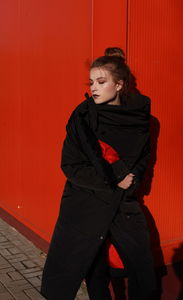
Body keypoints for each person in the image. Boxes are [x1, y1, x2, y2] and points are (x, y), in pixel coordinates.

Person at [41, 47, 157, 300]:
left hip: (123, 203)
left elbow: (145, 156)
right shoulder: (82, 117)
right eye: (91, 82)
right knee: (92, 268)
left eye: (101, 82)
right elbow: (70, 166)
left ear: (119, 85)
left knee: (142, 268)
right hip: (85, 202)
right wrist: (114, 179)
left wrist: (132, 180)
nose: (93, 87)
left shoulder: (140, 116)